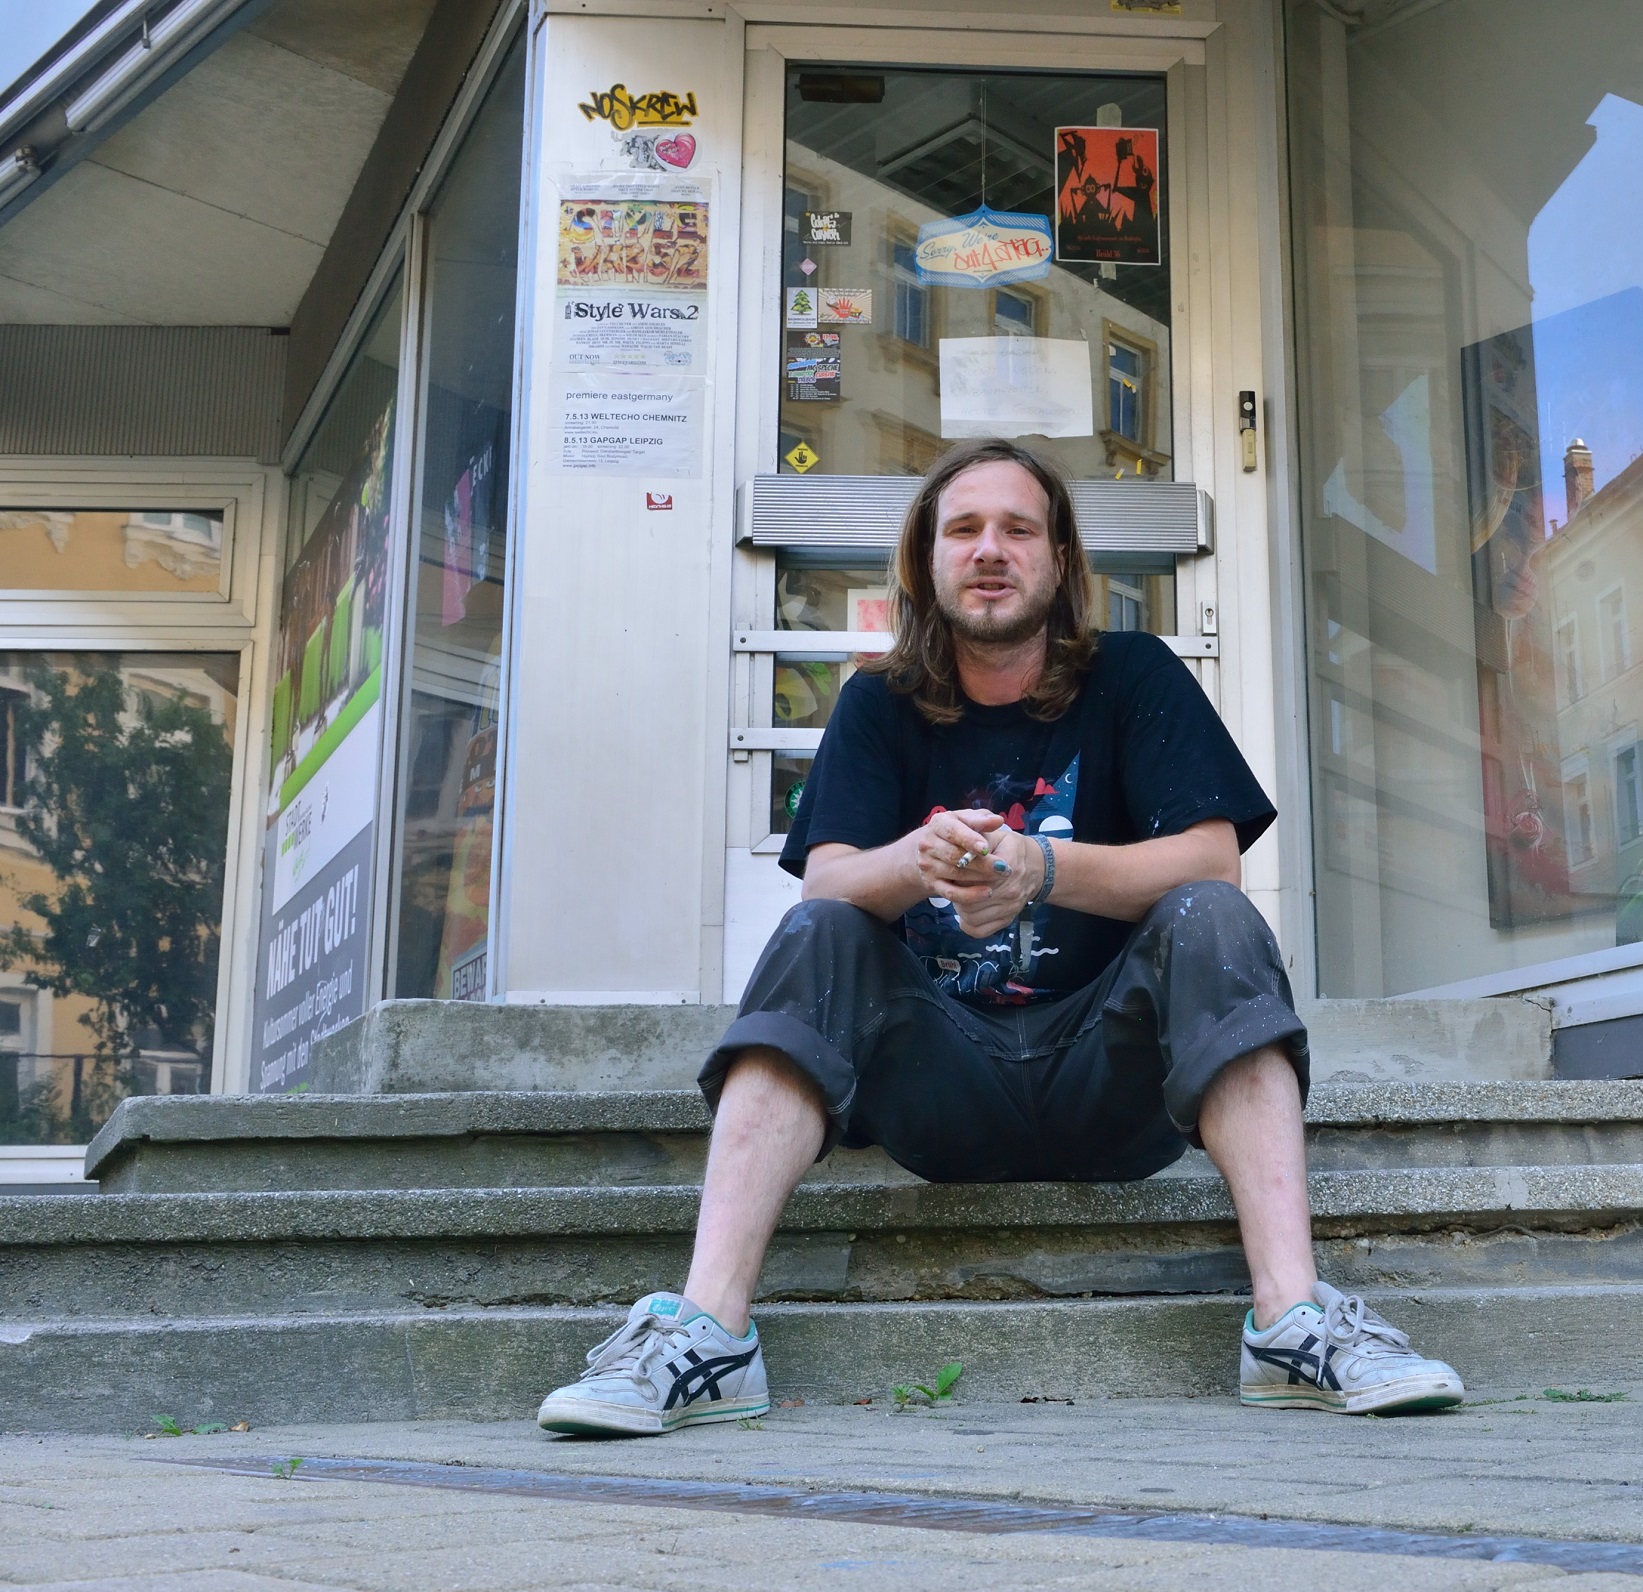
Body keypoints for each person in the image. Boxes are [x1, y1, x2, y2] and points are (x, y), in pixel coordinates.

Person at [538, 437, 1464, 1436]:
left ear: (1058, 559)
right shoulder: (876, 702)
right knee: (820, 928)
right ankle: (711, 1333)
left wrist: (1042, 868)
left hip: (1111, 1079)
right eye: (964, 529)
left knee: (1213, 913)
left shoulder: (1134, 674)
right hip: (943, 1085)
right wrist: (920, 859)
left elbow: (1213, 857)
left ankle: (1290, 1318)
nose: (990, 549)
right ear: (927, 558)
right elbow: (828, 878)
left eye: (1018, 528)